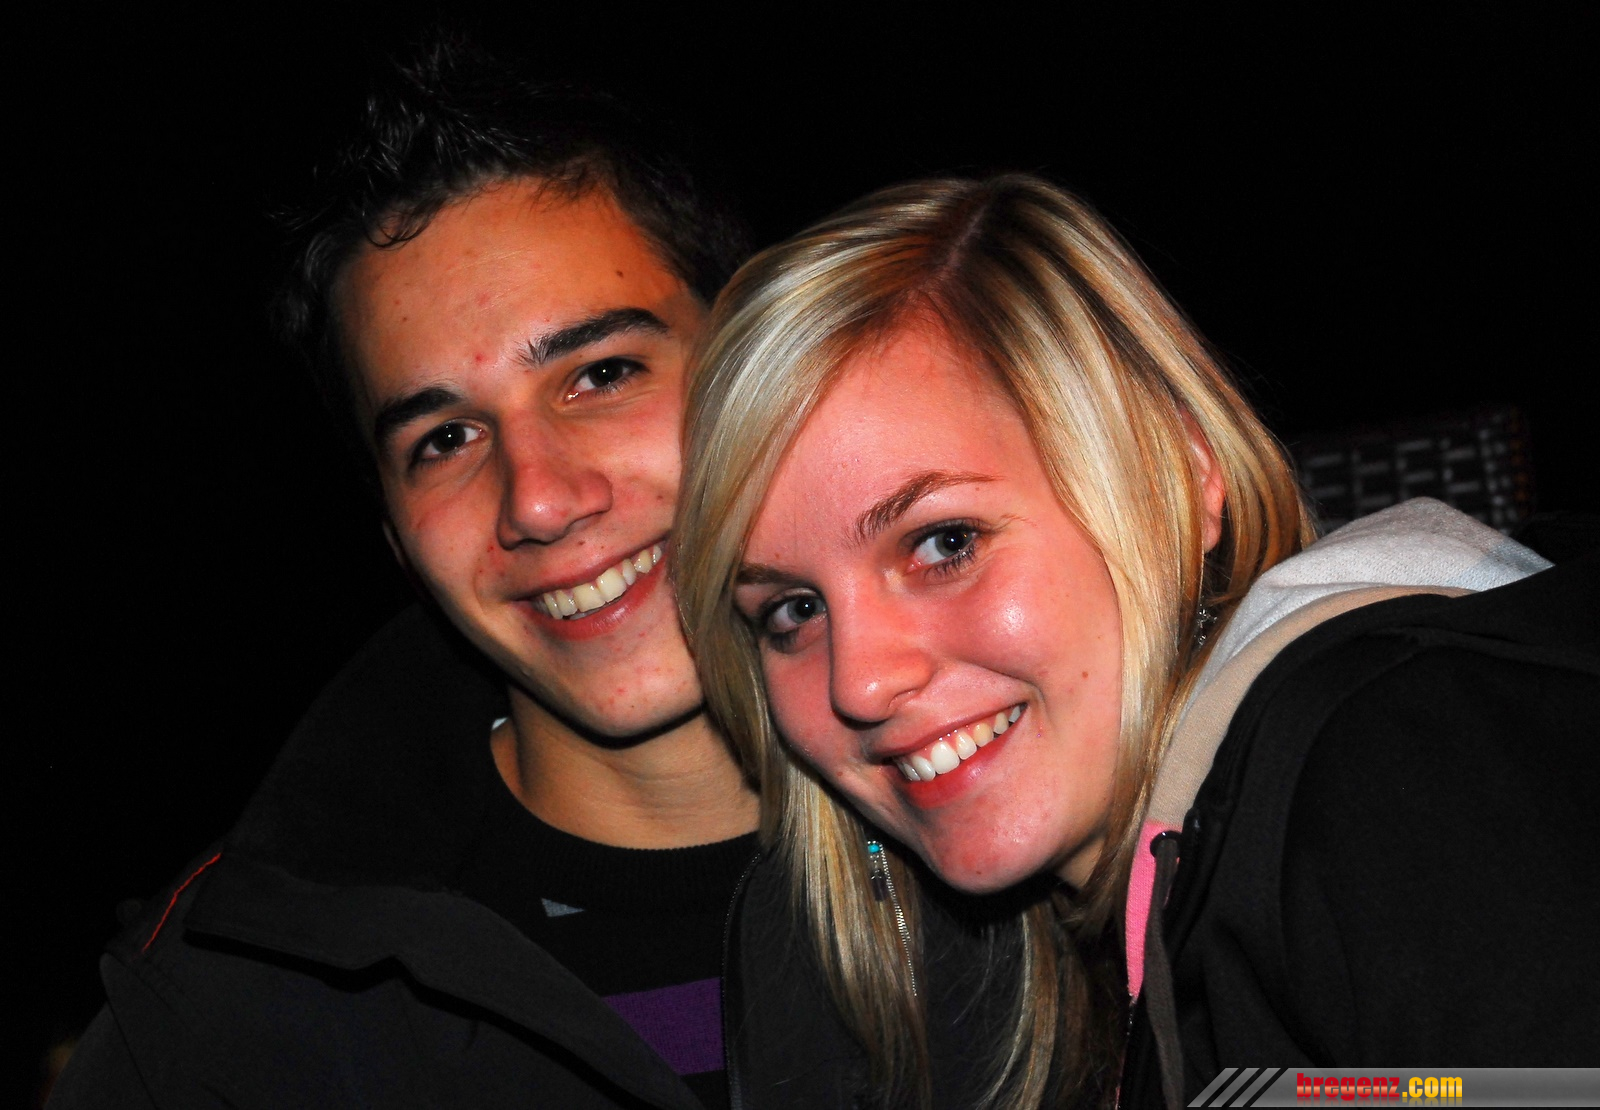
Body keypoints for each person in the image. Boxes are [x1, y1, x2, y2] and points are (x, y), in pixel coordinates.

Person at [675, 174, 1600, 1108]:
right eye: (794, 610)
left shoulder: (1387, 761)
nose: (862, 682)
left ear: (1178, 478)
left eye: (945, 543)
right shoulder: (1047, 955)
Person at [52, 40, 775, 1110]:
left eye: (602, 373)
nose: (538, 499)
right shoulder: (224, 1031)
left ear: (768, 365)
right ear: (392, 535)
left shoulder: (1018, 829)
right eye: (443, 439)